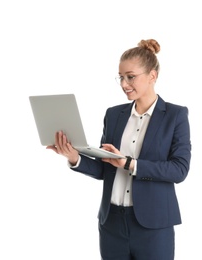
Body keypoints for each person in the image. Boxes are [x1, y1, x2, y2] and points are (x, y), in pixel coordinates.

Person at [47, 39, 191, 260]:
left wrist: (129, 163)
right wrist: (74, 157)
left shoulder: (175, 116)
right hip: (111, 222)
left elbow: (179, 170)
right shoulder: (114, 115)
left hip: (153, 226)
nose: (124, 84)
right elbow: (105, 169)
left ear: (152, 76)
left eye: (130, 76)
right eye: (121, 77)